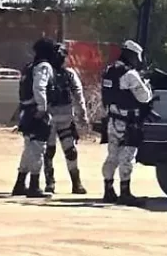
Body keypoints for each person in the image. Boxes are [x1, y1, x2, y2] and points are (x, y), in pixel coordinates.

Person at [100, 40, 153, 206]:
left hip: (113, 120)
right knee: (127, 157)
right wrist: (146, 83)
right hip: (129, 122)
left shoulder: (109, 71)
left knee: (112, 156)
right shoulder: (130, 74)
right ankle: (125, 193)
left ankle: (108, 190)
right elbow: (145, 97)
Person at [11, 37, 56, 198]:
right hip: (35, 112)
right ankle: (34, 186)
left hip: (26, 111)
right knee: (38, 149)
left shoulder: (29, 67)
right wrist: (42, 108)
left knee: (29, 148)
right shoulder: (44, 67)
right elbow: (39, 87)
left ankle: (20, 183)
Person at [43, 43, 89, 195]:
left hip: (65, 119)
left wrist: (82, 113)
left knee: (70, 151)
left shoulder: (69, 74)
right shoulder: (45, 73)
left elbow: (78, 93)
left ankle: (76, 182)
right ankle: (50, 183)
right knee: (48, 151)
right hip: (49, 118)